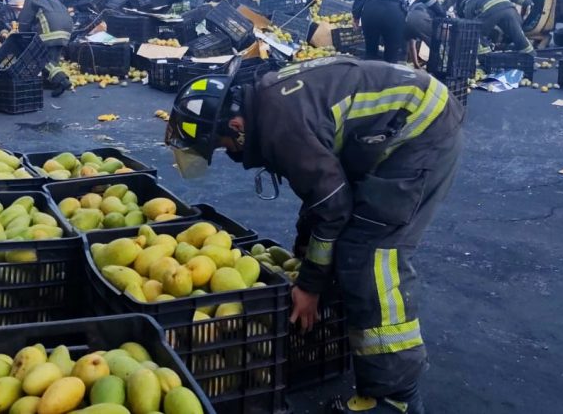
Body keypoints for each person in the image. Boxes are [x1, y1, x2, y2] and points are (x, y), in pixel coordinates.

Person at [166, 57, 465, 414]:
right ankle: (360, 329)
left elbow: (333, 205)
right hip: (384, 132)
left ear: (236, 126)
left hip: (419, 133)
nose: (229, 152)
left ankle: (395, 396)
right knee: (339, 241)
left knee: (370, 254)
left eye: (222, 145)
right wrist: (307, 252)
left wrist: (309, 285)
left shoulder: (281, 127)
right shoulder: (267, 106)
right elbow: (320, 192)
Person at [16, 0, 73, 96]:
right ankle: (52, 83)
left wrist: (23, 37)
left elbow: (24, 21)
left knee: (41, 59)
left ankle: (62, 80)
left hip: (50, 30)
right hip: (66, 30)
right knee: (53, 60)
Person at [455, 0, 535, 54]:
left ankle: (486, 57)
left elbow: (472, 26)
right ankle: (531, 55)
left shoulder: (468, 6)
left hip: (492, 13)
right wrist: (528, 2)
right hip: (511, 10)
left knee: (475, 33)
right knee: (519, 37)